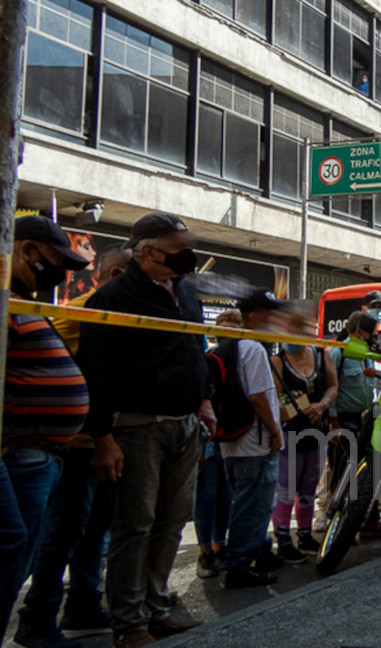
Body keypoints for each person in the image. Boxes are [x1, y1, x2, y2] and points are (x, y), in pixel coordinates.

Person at [77, 213, 215, 648]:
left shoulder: (186, 295)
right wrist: (103, 438)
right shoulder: (112, 298)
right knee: (134, 526)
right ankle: (129, 622)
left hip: (185, 426)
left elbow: (196, 347)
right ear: (149, 251)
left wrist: (204, 400)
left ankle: (157, 609)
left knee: (171, 522)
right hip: (136, 431)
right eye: (178, 246)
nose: (188, 254)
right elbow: (96, 373)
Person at [16, 244, 130, 648]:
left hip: (101, 441)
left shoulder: (110, 313)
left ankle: (82, 603)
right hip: (80, 445)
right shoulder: (87, 312)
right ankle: (37, 617)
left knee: (93, 529)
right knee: (64, 531)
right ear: (118, 277)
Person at [0, 216, 90, 642]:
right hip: (19, 450)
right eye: (57, 261)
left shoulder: (20, 302)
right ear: (27, 251)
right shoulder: (6, 301)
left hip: (42, 452)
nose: (63, 275)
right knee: (10, 543)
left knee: (21, 550)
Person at [220, 290, 286, 589]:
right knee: (253, 505)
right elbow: (258, 396)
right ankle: (239, 567)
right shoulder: (253, 349)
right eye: (267, 312)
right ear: (252, 315)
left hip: (233, 444)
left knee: (245, 501)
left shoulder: (229, 346)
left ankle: (260, 550)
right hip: (255, 442)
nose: (272, 318)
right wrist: (274, 432)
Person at [270, 312, 338, 563]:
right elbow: (275, 397)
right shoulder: (277, 361)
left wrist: (321, 406)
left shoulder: (322, 355)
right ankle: (283, 538)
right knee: (286, 487)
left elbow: (333, 385)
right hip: (290, 433)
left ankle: (305, 534)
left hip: (317, 430)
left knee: (309, 486)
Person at [324, 311, 381, 540]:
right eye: (369, 330)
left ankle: (371, 521)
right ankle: (335, 525)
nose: (373, 334)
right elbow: (331, 387)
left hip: (367, 420)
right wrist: (333, 421)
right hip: (345, 420)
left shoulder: (366, 353)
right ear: (357, 329)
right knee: (342, 472)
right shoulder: (340, 352)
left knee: (372, 470)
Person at [194, 310, 241, 581]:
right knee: (206, 497)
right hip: (207, 440)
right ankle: (204, 552)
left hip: (230, 436)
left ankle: (219, 545)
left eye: (236, 327)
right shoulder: (208, 358)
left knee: (225, 497)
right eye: (226, 328)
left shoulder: (241, 359)